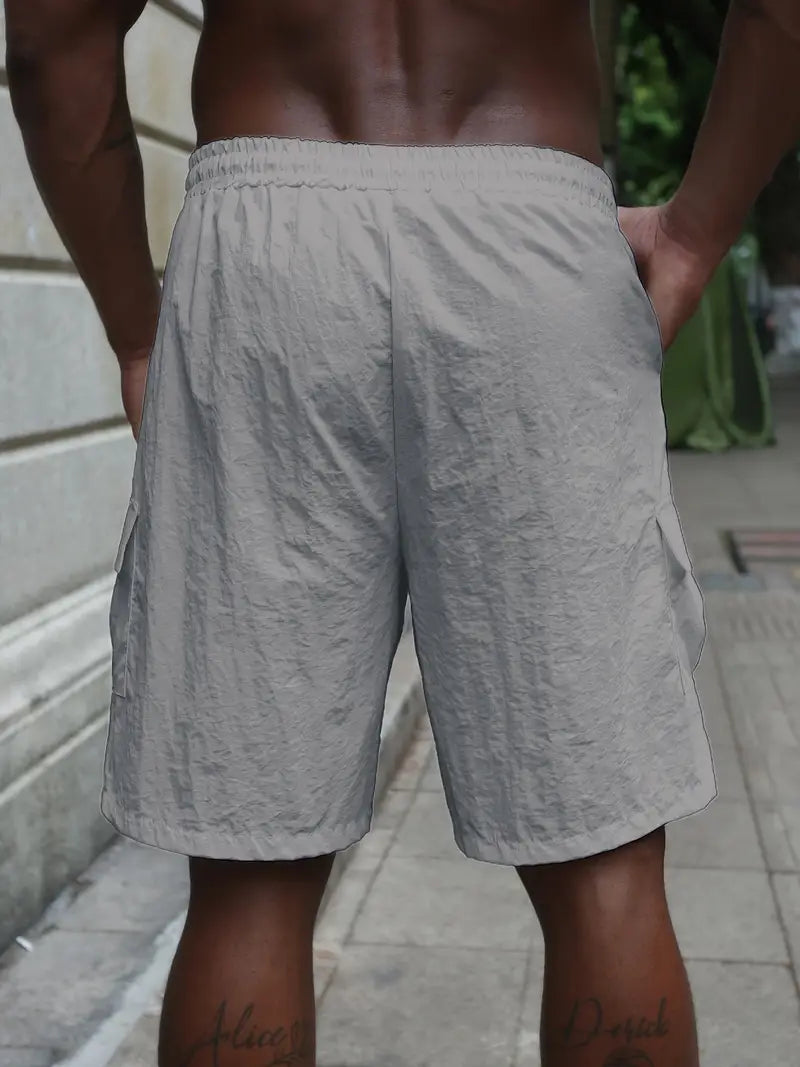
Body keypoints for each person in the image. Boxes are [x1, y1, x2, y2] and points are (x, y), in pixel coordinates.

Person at [6, 1, 800, 1064]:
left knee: (248, 873)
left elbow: (50, 38)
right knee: (601, 859)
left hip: (268, 239)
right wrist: (695, 235)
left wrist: (134, 328)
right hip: (530, 234)